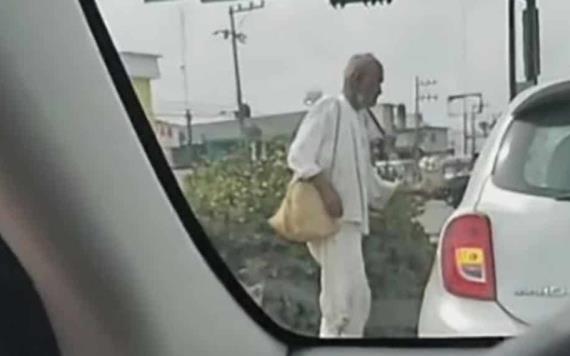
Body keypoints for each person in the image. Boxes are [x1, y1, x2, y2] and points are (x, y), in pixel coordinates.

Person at [287, 53, 398, 337]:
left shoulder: (358, 121)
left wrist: (398, 189)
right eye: (377, 82)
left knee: (357, 302)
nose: (380, 90)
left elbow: (367, 182)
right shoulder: (329, 109)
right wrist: (326, 190)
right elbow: (299, 156)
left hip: (350, 226)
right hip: (334, 223)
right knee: (340, 306)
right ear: (357, 79)